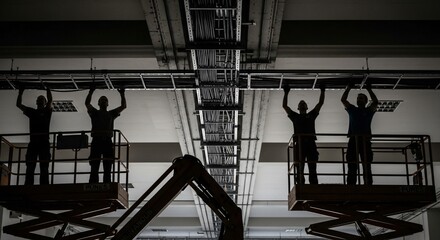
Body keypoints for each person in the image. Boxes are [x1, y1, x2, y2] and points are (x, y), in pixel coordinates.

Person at [283, 84, 325, 184]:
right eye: (300, 103)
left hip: (310, 144)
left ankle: (313, 186)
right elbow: (285, 106)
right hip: (300, 144)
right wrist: (286, 92)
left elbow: (320, 103)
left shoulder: (311, 115)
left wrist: (322, 91)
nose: (302, 104)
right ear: (298, 107)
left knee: (312, 167)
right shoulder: (295, 116)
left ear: (306, 107)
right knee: (299, 168)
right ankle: (301, 185)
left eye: (303, 103)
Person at [85, 87, 126, 183]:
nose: (103, 101)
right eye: (102, 100)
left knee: (107, 166)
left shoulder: (111, 114)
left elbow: (123, 106)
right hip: (97, 141)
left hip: (106, 141)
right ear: (98, 103)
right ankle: (94, 184)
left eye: (105, 100)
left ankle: (106, 184)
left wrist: (122, 94)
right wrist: (91, 91)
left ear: (107, 104)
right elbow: (87, 103)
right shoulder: (95, 113)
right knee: (95, 165)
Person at [341, 82, 378, 185]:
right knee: (352, 165)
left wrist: (369, 89)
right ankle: (351, 186)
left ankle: (368, 185)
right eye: (358, 98)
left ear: (366, 101)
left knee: (366, 165)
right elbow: (343, 100)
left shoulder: (369, 110)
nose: (359, 100)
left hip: (365, 140)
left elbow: (375, 102)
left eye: (361, 98)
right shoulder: (352, 109)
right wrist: (348, 88)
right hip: (353, 140)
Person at [16, 87, 53, 185]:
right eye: (39, 99)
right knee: (31, 166)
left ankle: (43, 186)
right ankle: (30, 185)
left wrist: (48, 88)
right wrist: (20, 92)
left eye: (42, 99)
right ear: (37, 102)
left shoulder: (45, 111)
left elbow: (50, 100)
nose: (40, 100)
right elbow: (18, 105)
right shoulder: (33, 112)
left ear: (44, 103)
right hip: (37, 142)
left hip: (41, 142)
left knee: (43, 166)